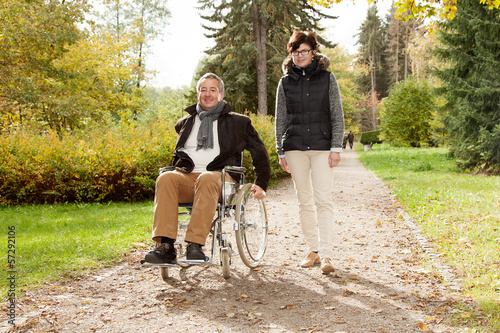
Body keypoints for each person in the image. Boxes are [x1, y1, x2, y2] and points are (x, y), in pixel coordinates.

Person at [144, 73, 271, 264]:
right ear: (198, 94)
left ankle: (195, 245)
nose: (208, 94)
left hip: (221, 178)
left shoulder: (238, 122)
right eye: (203, 90)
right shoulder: (184, 123)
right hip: (188, 177)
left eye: (212, 90)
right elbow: (178, 155)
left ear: (221, 93)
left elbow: (259, 151)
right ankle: (166, 246)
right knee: (166, 178)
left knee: (207, 178)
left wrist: (261, 182)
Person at [275, 31, 345, 274]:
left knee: (323, 200)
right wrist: (280, 151)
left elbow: (337, 115)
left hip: (322, 147)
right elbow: (280, 119)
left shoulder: (328, 78)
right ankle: (313, 250)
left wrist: (336, 147)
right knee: (304, 201)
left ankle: (327, 255)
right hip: (294, 148)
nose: (299, 56)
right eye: (295, 52)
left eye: (304, 51)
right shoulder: (284, 82)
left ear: (313, 52)